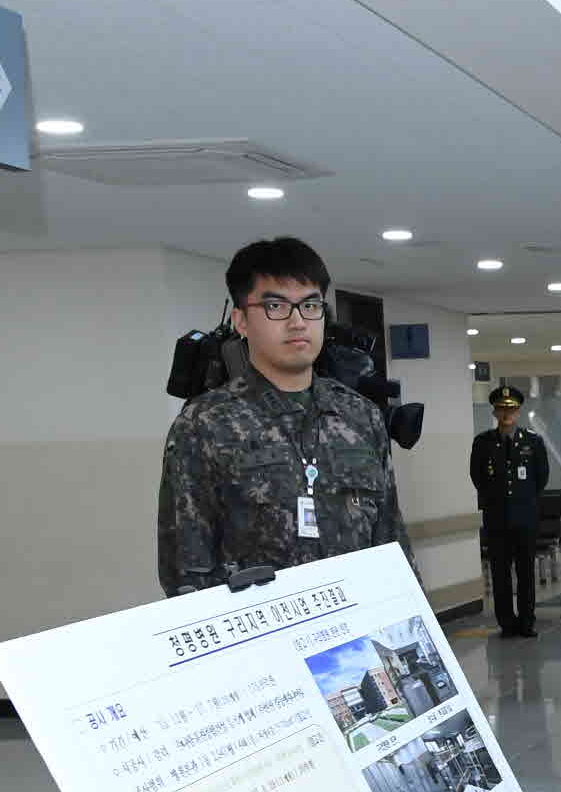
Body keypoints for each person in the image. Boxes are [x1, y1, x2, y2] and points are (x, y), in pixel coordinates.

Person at [158, 236, 408, 597]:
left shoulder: (360, 416)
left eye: (310, 305)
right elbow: (185, 570)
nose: (297, 321)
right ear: (241, 320)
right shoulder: (205, 424)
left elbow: (391, 542)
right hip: (262, 627)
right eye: (275, 306)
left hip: (358, 622)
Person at [469, 383, 548, 637]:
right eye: (501, 409)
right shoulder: (483, 443)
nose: (506, 414)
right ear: (494, 412)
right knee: (500, 573)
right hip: (497, 520)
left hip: (525, 518)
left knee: (525, 573)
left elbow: (541, 478)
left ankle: (526, 622)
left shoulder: (533, 442)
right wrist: (495, 499)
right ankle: (506, 622)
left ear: (518, 412)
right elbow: (477, 477)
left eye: (511, 409)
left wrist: (523, 501)